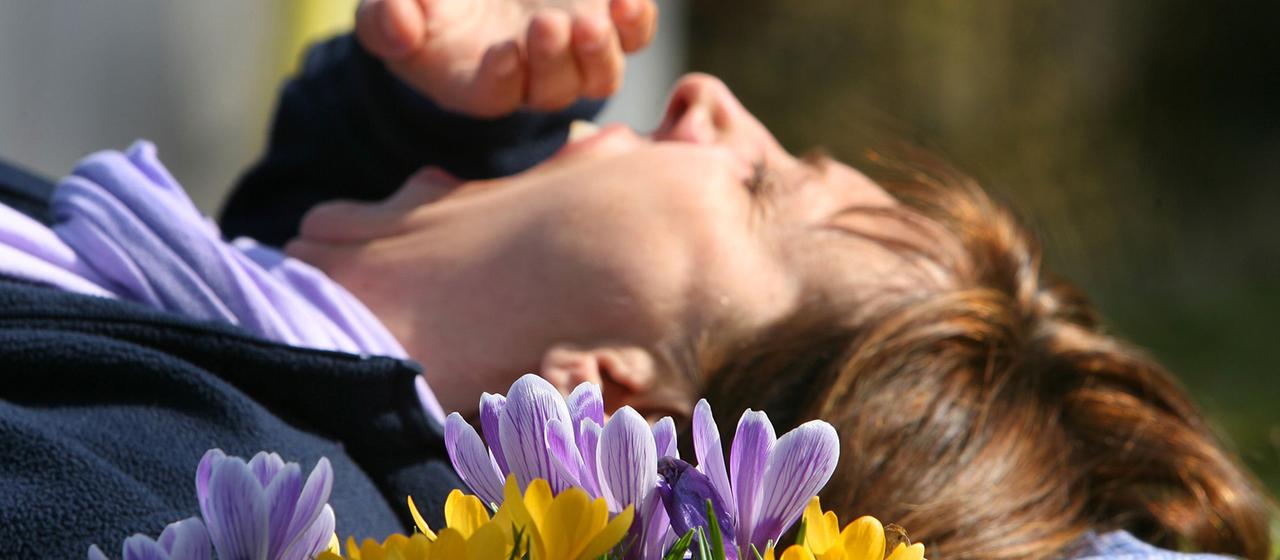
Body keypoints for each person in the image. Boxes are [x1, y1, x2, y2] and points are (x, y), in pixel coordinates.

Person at [0, 1, 1269, 559]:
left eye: (756, 188)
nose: (713, 102)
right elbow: (295, 355)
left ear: (605, 407)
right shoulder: (214, 343)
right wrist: (416, 136)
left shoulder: (156, 498)